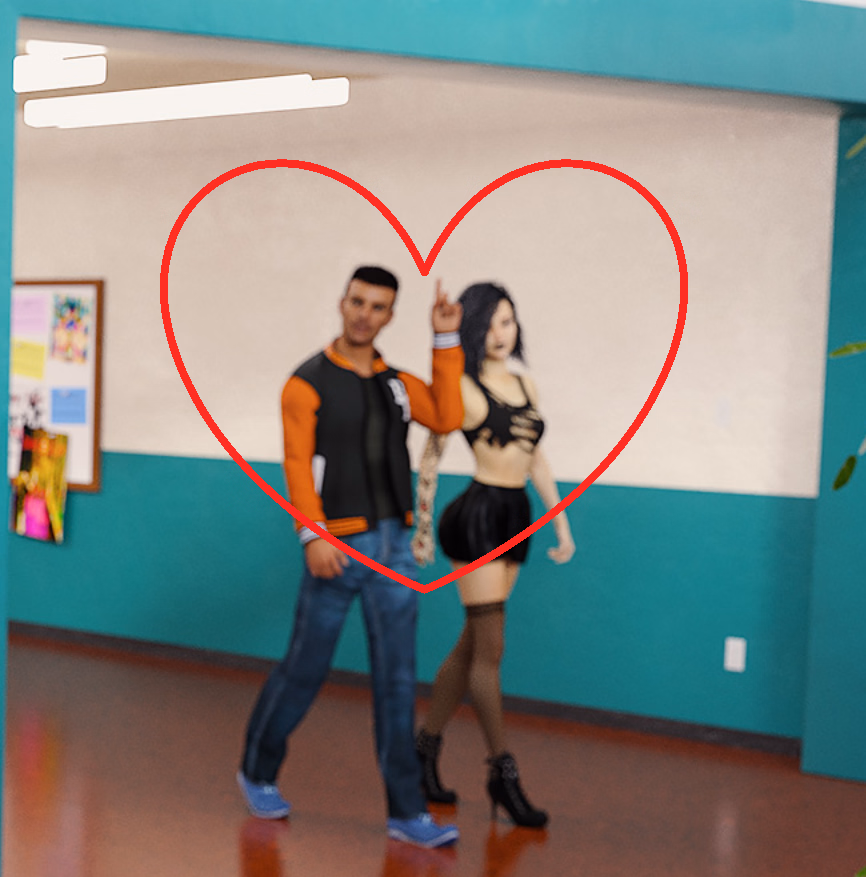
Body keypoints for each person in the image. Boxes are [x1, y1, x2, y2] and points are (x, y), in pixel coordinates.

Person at [238, 265, 464, 849]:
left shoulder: (397, 384)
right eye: (358, 302)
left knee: (397, 683)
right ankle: (257, 770)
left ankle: (407, 813)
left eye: (378, 307)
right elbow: (297, 462)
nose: (365, 315)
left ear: (391, 315)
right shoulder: (306, 383)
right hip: (337, 547)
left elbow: (447, 417)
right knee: (304, 669)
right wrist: (311, 535)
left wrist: (445, 337)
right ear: (342, 303)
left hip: (396, 551)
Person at [412, 281, 575, 829]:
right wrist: (423, 527)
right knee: (492, 649)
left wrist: (560, 521)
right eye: (489, 324)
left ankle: (423, 752)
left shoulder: (525, 383)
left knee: (472, 645)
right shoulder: (464, 387)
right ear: (472, 329)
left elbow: (536, 459)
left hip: (516, 516)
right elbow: (432, 453)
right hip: (478, 518)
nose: (500, 333)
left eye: (507, 321)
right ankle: (502, 773)